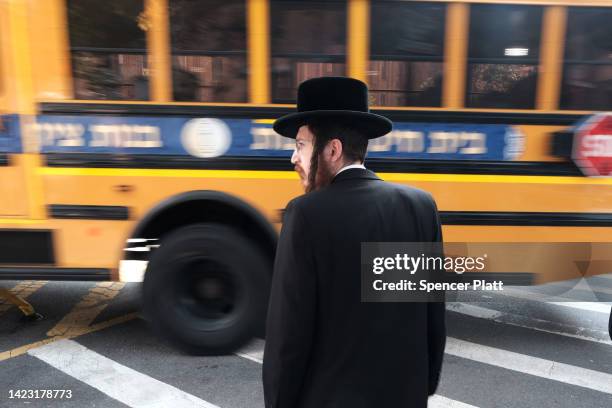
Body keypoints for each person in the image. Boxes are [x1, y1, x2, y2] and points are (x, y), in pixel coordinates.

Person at [262, 77, 446, 408]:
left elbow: (288, 335)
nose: (293, 159)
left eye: (300, 145)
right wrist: (425, 384)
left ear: (332, 149)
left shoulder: (306, 214)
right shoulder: (420, 206)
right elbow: (432, 312)